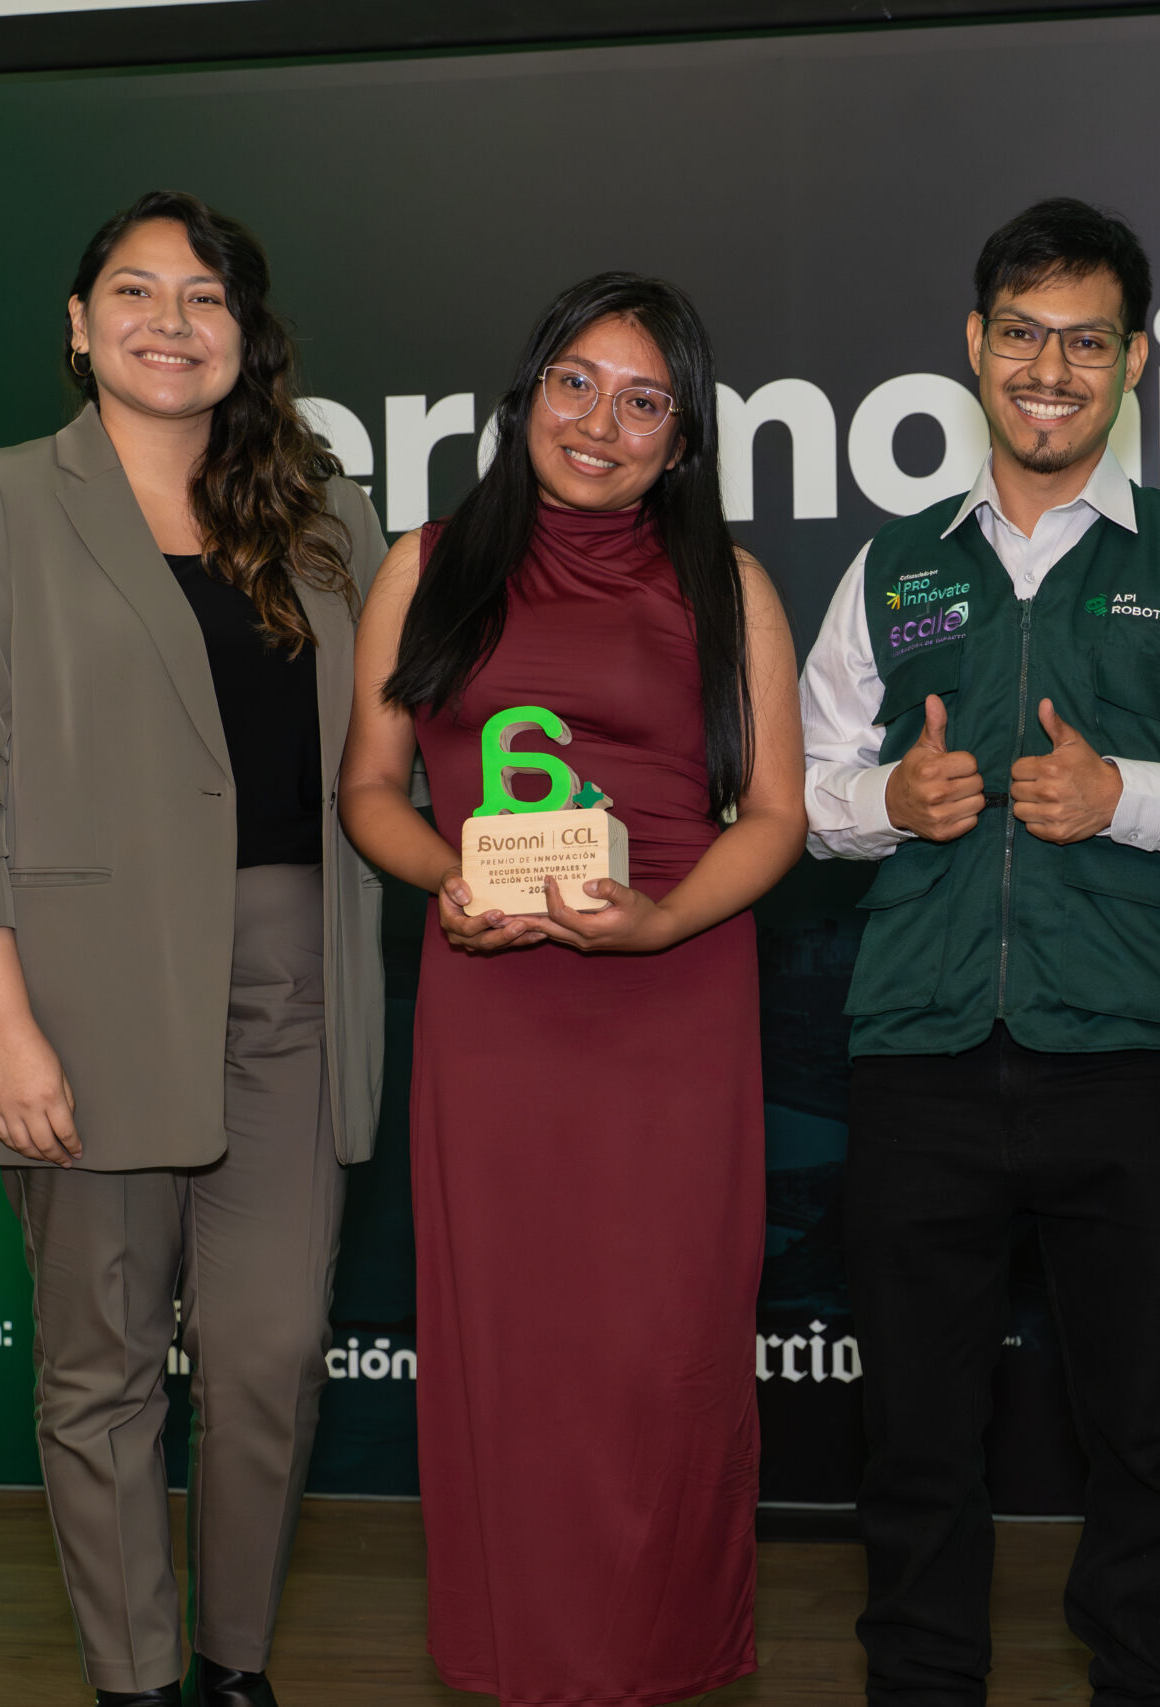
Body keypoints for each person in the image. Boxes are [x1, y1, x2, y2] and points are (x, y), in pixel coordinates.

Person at [799, 198, 1160, 1706]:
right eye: (1022, 335)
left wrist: (1122, 797)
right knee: (915, 1432)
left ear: (1134, 362)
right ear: (975, 345)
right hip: (920, 1055)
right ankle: (921, 1686)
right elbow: (803, 791)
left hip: (1123, 1057)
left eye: (1087, 343)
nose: (1049, 370)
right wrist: (887, 803)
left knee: (1143, 1427)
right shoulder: (893, 567)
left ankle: (1144, 1682)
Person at [0, 191, 389, 1707]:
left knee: (269, 1354)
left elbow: (394, 755)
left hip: (298, 988)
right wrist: (5, 1025)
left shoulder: (327, 515)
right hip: (83, 994)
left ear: (248, 331)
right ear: (78, 321)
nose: (171, 322)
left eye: (205, 297)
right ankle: (137, 1681)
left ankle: (235, 1670)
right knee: (100, 1368)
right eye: (135, 290)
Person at [337, 273, 805, 1706]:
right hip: (495, 1005)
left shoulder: (730, 585)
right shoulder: (424, 565)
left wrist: (658, 923)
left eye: (644, 400)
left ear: (684, 435)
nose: (601, 422)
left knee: (661, 1354)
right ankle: (521, 1662)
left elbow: (775, 817)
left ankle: (659, 1662)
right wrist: (448, 880)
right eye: (576, 383)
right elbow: (369, 789)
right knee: (513, 1349)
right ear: (527, 391)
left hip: (673, 1000)